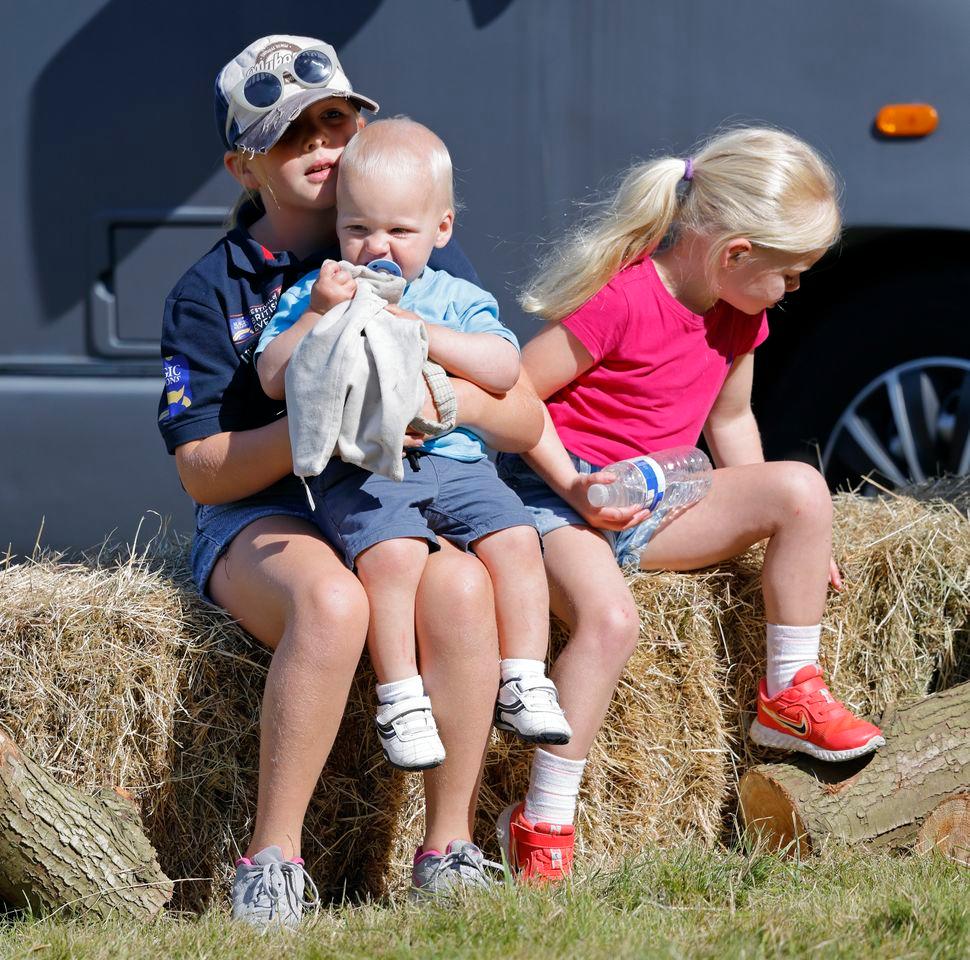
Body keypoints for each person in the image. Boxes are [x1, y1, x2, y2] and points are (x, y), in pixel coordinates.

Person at [157, 34, 543, 926]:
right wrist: (324, 421)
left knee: (459, 583)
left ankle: (449, 851)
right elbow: (203, 474)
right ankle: (272, 865)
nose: (323, 148)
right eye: (293, 135)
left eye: (336, 121)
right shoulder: (212, 289)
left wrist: (442, 402)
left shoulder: (412, 249)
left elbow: (521, 416)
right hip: (262, 514)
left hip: (389, 501)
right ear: (244, 165)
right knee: (333, 605)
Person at [495, 127, 886, 881]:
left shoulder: (741, 313)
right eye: (791, 274)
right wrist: (573, 484)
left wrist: (801, 531)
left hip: (656, 497)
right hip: (558, 498)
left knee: (803, 490)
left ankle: (789, 694)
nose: (796, 289)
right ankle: (542, 819)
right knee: (611, 622)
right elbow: (514, 391)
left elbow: (731, 422)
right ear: (736, 254)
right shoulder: (623, 297)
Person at [255, 118, 571, 772]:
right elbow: (272, 377)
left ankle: (524, 677)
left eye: (400, 231)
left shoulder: (455, 297)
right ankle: (399, 694)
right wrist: (318, 313)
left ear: (441, 231)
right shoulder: (320, 293)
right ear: (336, 229)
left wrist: (420, 330)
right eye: (357, 229)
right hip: (369, 469)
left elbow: (503, 369)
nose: (377, 248)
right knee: (392, 554)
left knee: (516, 538)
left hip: (454, 462)